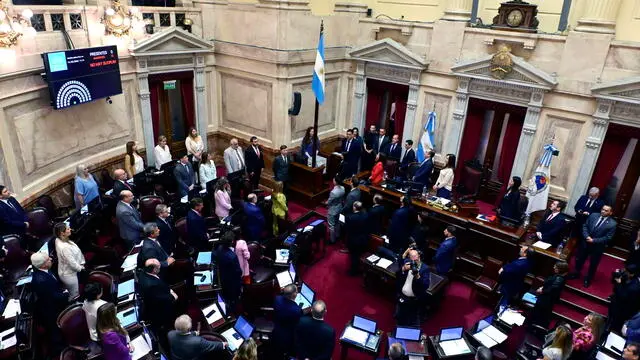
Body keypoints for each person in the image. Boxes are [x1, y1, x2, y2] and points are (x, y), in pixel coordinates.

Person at [570, 205, 617, 287]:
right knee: (580, 258)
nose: (603, 211)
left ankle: (588, 279)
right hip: (585, 242)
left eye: (606, 210)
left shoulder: (612, 224)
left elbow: (608, 238)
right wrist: (586, 236)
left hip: (597, 247)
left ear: (610, 213)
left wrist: (594, 240)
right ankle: (576, 273)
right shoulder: (593, 215)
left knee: (593, 264)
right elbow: (585, 226)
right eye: (602, 209)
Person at [30, 252, 68, 354]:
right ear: (42, 265)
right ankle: (60, 350)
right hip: (51, 309)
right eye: (47, 259)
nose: (50, 259)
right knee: (54, 330)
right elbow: (53, 297)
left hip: (52, 301)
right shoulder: (41, 280)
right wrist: (66, 294)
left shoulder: (44, 270)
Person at [137, 259, 177, 338]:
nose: (160, 268)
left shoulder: (143, 273)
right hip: (159, 312)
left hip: (157, 297)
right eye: (159, 267)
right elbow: (160, 299)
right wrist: (173, 296)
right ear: (154, 269)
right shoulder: (152, 285)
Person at [397, 248, 430, 326]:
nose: (415, 258)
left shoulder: (424, 268)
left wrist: (418, 276)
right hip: (402, 296)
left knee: (412, 319)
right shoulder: (407, 263)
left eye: (416, 256)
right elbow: (398, 274)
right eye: (412, 256)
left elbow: (425, 285)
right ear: (410, 257)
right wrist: (403, 269)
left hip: (414, 299)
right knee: (400, 317)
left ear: (419, 255)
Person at [531, 261, 569, 327]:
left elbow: (552, 289)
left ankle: (535, 326)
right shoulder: (558, 276)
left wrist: (542, 290)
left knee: (540, 314)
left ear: (560, 269)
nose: (553, 267)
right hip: (546, 298)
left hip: (546, 300)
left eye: (556, 267)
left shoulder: (559, 279)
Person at [54, 222, 85, 298]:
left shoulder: (58, 239)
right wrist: (81, 268)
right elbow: (72, 264)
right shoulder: (65, 248)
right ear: (62, 233)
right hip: (69, 275)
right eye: (68, 229)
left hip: (66, 271)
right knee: (75, 295)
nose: (70, 229)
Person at [215, 231, 243, 313]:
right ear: (231, 242)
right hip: (233, 281)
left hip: (223, 277)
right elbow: (238, 271)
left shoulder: (219, 248)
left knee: (226, 294)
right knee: (233, 298)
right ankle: (233, 312)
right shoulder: (232, 256)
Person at [272, 284, 303, 357]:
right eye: (296, 291)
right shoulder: (296, 310)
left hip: (276, 332)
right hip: (287, 338)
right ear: (294, 294)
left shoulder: (277, 299)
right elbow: (299, 314)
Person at [608, 264, 640, 333]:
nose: (624, 272)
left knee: (615, 326)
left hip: (623, 310)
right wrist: (616, 276)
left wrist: (619, 283)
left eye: (627, 272)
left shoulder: (634, 287)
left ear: (632, 274)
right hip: (616, 303)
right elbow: (613, 282)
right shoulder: (626, 276)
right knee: (610, 318)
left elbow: (623, 297)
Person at [345, 201, 368, 275]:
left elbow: (347, 229)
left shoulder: (349, 217)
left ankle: (353, 271)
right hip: (363, 239)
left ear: (354, 207)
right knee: (358, 255)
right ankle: (357, 267)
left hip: (353, 240)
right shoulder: (365, 215)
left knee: (353, 256)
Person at [327, 176, 345, 244]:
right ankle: (337, 235)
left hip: (333, 210)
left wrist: (327, 203)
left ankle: (332, 240)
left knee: (331, 225)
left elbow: (329, 201)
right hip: (339, 207)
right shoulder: (343, 188)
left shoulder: (333, 192)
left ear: (335, 182)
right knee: (337, 222)